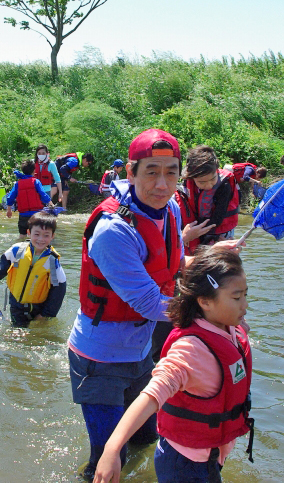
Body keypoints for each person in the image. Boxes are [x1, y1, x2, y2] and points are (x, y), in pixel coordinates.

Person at [68, 129, 184, 481]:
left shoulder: (171, 209)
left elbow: (171, 266)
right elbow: (150, 302)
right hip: (100, 358)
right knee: (104, 460)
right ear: (130, 173)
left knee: (146, 440)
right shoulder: (113, 230)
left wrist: (212, 264)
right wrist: (214, 314)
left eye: (171, 172)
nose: (162, 184)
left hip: (140, 351)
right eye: (151, 171)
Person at [92, 247, 253, 483]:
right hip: (185, 465)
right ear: (205, 302)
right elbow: (151, 395)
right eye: (237, 298)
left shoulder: (227, 327)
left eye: (246, 295)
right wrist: (112, 449)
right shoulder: (190, 351)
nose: (244, 306)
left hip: (210, 454)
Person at [0, 211, 66, 327]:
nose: (41, 239)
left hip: (38, 307)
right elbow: (3, 266)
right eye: (37, 234)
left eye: (46, 235)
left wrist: (46, 314)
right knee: (17, 331)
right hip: (16, 304)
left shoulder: (52, 261)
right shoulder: (17, 250)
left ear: (52, 236)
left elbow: (58, 290)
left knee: (36, 335)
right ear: (29, 233)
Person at [175, 146, 240, 256]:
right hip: (197, 228)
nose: (209, 185)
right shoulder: (188, 181)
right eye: (202, 182)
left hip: (219, 230)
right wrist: (187, 234)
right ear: (192, 177)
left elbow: (218, 217)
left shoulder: (224, 185)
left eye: (213, 179)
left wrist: (202, 235)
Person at [4, 160, 52, 235]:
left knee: (22, 236)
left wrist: (9, 210)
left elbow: (10, 197)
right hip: (36, 216)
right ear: (34, 170)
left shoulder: (18, 184)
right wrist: (50, 203)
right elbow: (43, 194)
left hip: (23, 216)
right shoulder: (36, 182)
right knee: (36, 235)